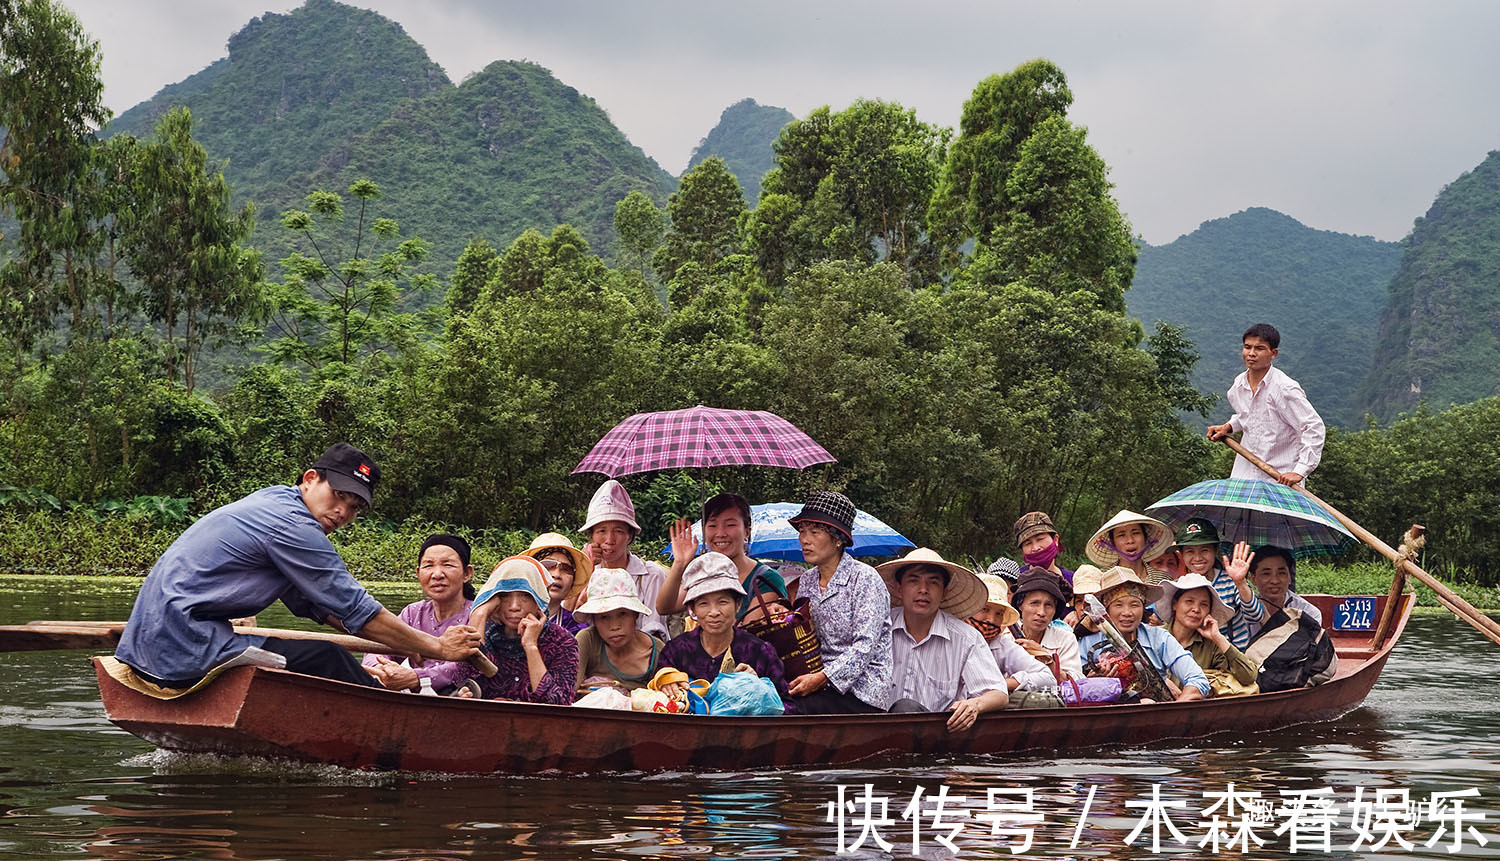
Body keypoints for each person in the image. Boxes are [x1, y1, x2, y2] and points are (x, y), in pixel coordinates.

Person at [114, 443, 480, 690]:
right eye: (338, 496)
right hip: (185, 645)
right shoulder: (292, 526)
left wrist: (406, 641)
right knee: (327, 657)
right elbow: (356, 609)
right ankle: (402, 722)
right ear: (310, 479)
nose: (343, 512)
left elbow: (319, 606)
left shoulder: (273, 501)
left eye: (355, 507)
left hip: (152, 641)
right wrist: (437, 648)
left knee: (326, 659)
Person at [784, 491, 894, 714]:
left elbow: (864, 646)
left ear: (837, 539)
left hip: (862, 691)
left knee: (794, 710)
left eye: (814, 532)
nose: (804, 539)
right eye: (802, 531)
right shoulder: (806, 580)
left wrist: (821, 678)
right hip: (817, 683)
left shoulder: (865, 578)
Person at [877, 548, 1009, 730]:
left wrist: (974, 705)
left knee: (905, 708)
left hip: (937, 739)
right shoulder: (878, 627)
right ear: (899, 588)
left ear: (944, 592)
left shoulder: (966, 638)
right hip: (878, 733)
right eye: (913, 581)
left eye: (933, 582)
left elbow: (998, 693)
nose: (923, 590)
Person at [658, 552, 792, 707]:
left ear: (738, 605)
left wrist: (759, 689)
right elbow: (657, 702)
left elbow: (786, 707)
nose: (714, 612)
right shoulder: (675, 652)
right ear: (692, 609)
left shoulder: (759, 652)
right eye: (703, 604)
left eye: (722, 602)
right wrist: (665, 684)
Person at [1206, 323, 1326, 487]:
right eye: (1247, 347)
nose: (1252, 354)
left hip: (1279, 480)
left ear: (1273, 353)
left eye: (1260, 348)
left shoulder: (1284, 389)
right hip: (1244, 477)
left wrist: (1300, 471)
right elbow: (1247, 416)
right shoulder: (1239, 386)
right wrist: (1228, 427)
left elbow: (1313, 427)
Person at [363, 533, 476, 694]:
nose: (437, 574)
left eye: (448, 565)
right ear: (418, 573)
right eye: (428, 566)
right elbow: (380, 646)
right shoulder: (412, 613)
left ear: (467, 573)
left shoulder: (478, 614)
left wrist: (416, 677)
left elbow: (471, 665)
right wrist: (381, 670)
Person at [456, 556, 579, 704]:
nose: (514, 606)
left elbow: (558, 704)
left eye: (525, 596)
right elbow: (464, 682)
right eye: (504, 596)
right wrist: (480, 614)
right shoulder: (485, 634)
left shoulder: (562, 641)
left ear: (539, 598)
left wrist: (531, 646)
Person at [1078, 567, 1210, 702]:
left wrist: (1174, 710)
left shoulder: (1159, 638)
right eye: (1118, 605)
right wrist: (1094, 683)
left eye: (1134, 605)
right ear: (1107, 609)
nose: (1127, 612)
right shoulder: (1088, 643)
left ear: (1143, 608)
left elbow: (1198, 680)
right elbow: (1073, 688)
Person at [659, 493, 789, 623]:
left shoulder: (767, 579)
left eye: (730, 525)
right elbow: (664, 608)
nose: (720, 534)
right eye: (712, 526)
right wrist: (680, 563)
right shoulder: (704, 572)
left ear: (747, 532)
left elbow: (746, 632)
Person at [579, 480, 668, 639]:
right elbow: (573, 620)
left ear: (630, 536)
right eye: (601, 531)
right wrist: (585, 568)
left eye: (618, 531)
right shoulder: (587, 572)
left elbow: (653, 627)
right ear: (591, 535)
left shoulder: (650, 575)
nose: (609, 539)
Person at [1173, 519, 1267, 649]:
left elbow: (1255, 616)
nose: (1198, 558)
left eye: (1204, 550)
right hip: (1195, 658)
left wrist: (1240, 583)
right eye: (1190, 551)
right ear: (1181, 554)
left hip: (1231, 658)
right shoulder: (1179, 586)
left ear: (1215, 550)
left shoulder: (1230, 580)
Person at [571, 567, 666, 694]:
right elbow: (569, 691)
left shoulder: (657, 651)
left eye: (622, 614)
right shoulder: (588, 640)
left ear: (635, 615)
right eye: (604, 617)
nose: (614, 626)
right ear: (594, 620)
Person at [1158, 573, 1258, 692]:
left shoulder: (1211, 645)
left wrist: (1218, 637)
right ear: (1175, 604)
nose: (1196, 609)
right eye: (1189, 601)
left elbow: (1249, 676)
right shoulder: (1156, 637)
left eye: (1203, 604)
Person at [967, 571, 1060, 691]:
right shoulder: (948, 638)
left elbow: (1048, 679)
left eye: (999, 613)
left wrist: (1000, 684)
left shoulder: (1000, 644)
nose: (991, 620)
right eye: (985, 609)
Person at [1008, 567, 1084, 681]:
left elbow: (1076, 683)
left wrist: (1048, 661)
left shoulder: (1065, 639)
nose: (1041, 613)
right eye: (1034, 603)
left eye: (1048, 605)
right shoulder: (1004, 639)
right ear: (1020, 605)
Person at [522, 532, 593, 635]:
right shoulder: (509, 616)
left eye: (566, 568)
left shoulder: (578, 629)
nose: (556, 574)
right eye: (548, 565)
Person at [1246, 546, 1323, 638]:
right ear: (1253, 579)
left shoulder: (1308, 613)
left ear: (1290, 578)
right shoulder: (1244, 613)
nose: (1274, 581)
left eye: (1281, 573)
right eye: (1266, 574)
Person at [1086, 510, 1175, 586]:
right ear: (1113, 543)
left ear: (1145, 538)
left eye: (1135, 533)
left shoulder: (1163, 579)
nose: (1130, 540)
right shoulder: (1102, 578)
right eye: (1121, 535)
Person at [1013, 511, 1074, 586]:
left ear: (1055, 540)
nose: (1035, 548)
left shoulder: (1074, 580)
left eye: (1040, 539)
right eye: (1028, 543)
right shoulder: (1014, 579)